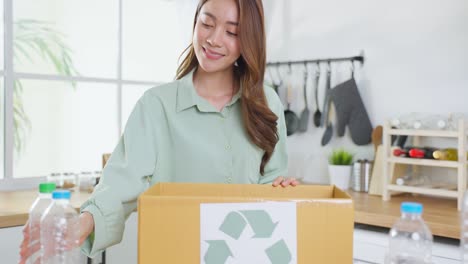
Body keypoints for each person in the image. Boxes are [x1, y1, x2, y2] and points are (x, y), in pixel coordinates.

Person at [19, 0, 298, 261]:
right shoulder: (156, 106)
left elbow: (270, 192)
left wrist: (284, 190)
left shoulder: (266, 102)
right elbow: (119, 184)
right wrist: (83, 222)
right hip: (174, 255)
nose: (214, 39)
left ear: (248, 40)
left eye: (231, 31)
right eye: (207, 23)